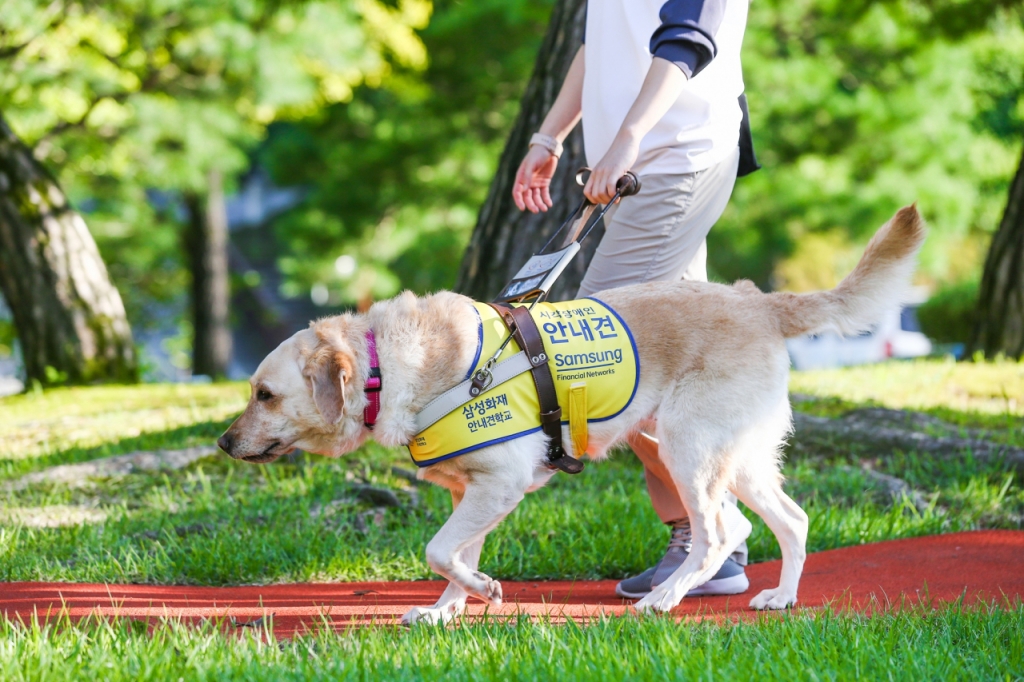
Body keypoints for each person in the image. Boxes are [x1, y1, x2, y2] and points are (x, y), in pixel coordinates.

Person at [511, 0, 760, 599]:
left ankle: (714, 528)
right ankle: (708, 536)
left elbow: (686, 41)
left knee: (596, 357)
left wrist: (627, 138)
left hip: (677, 159)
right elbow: (601, 46)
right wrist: (551, 136)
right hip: (635, 166)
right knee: (676, 368)